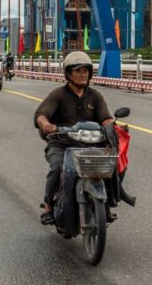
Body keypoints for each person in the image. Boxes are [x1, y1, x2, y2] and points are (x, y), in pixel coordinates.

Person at [33, 51, 113, 225]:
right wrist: (46, 124)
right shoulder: (58, 94)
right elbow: (41, 114)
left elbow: (105, 118)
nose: (83, 74)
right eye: (77, 70)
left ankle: (106, 205)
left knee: (110, 166)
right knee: (56, 168)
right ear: (68, 74)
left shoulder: (95, 95)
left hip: (91, 144)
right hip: (62, 143)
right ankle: (48, 206)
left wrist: (113, 127)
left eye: (86, 70)